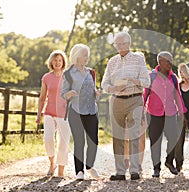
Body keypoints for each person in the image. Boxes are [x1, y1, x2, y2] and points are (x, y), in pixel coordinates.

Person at [101, 32, 150, 181]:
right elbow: (104, 83)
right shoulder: (112, 61)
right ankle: (120, 171)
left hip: (134, 99)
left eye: (122, 44)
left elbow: (147, 82)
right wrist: (112, 89)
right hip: (116, 100)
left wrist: (132, 80)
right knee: (118, 137)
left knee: (134, 135)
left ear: (128, 44)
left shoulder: (138, 59)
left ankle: (134, 170)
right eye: (116, 44)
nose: (119, 46)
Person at [143, 51, 187, 178]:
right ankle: (156, 168)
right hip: (154, 113)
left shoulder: (173, 78)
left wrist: (182, 113)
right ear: (160, 62)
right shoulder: (151, 76)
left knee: (173, 138)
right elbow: (145, 95)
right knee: (155, 141)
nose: (170, 63)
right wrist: (141, 112)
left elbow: (177, 96)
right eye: (167, 60)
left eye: (171, 60)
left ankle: (169, 161)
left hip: (170, 113)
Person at [61, 44, 100, 180]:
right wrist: (69, 94)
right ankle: (79, 171)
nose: (86, 58)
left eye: (87, 55)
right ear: (77, 56)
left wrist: (97, 92)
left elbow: (92, 91)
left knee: (93, 141)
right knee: (79, 141)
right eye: (84, 55)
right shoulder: (69, 74)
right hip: (76, 111)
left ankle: (89, 166)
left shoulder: (91, 72)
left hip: (91, 110)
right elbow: (63, 93)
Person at [36, 50, 71, 178]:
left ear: (63, 62)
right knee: (48, 139)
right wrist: (39, 114)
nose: (57, 62)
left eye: (60, 60)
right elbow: (42, 97)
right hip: (49, 112)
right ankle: (52, 163)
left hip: (64, 114)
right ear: (51, 61)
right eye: (55, 60)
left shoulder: (68, 77)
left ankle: (61, 170)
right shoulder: (46, 77)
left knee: (63, 142)